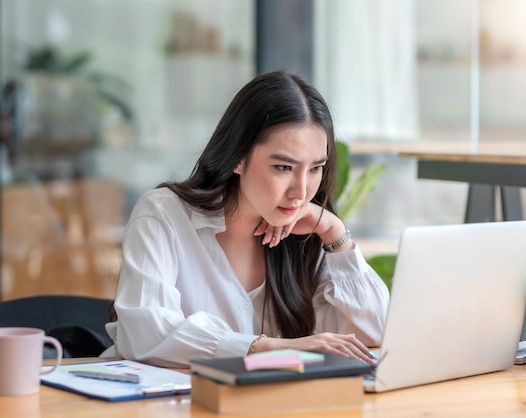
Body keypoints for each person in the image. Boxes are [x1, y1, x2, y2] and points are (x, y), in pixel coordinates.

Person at [102, 71, 389, 367]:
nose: (301, 191)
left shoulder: (306, 234)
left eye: (316, 168)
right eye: (283, 167)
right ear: (238, 156)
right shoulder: (163, 215)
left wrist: (334, 233)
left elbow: (375, 335)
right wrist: (264, 347)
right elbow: (144, 332)